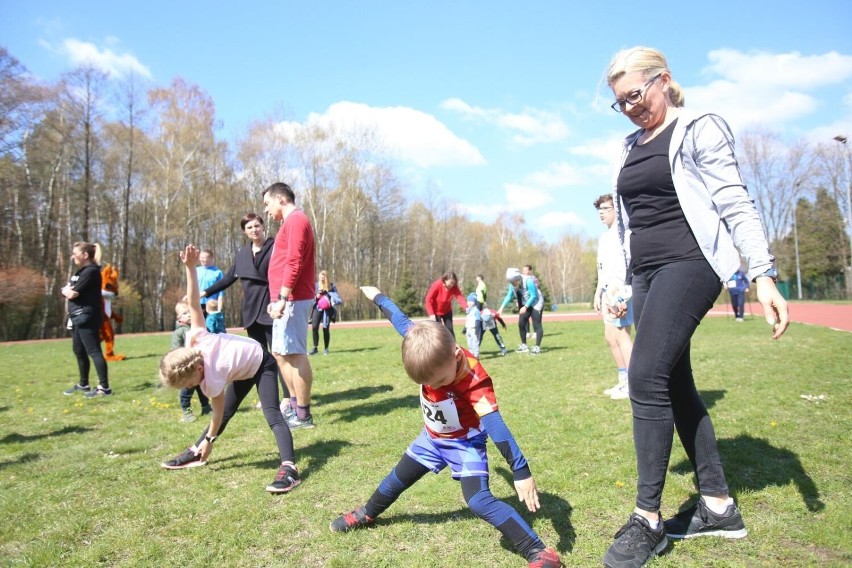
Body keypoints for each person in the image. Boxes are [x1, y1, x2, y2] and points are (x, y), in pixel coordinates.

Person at [601, 46, 789, 568]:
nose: (631, 108)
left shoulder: (698, 127)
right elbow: (627, 220)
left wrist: (763, 273)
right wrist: (617, 280)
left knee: (643, 377)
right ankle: (718, 505)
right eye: (621, 102)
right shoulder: (628, 144)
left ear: (663, 81)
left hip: (691, 263)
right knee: (674, 384)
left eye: (636, 95)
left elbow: (733, 199)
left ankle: (647, 518)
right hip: (646, 272)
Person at [329, 286, 562, 568]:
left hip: (465, 444)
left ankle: (539, 552)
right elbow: (400, 320)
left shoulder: (474, 380)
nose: (435, 387)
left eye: (440, 381)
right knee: (395, 479)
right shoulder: (426, 344)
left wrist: (520, 470)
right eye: (428, 383)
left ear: (455, 355)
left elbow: (496, 427)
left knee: (478, 500)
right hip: (432, 438)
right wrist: (378, 297)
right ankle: (366, 513)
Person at [159, 245, 301, 494]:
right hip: (241, 367)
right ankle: (195, 451)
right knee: (226, 414)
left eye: (185, 385)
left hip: (261, 363)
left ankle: (290, 468)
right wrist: (190, 268)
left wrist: (210, 441)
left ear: (195, 372)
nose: (189, 389)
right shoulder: (196, 337)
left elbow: (217, 414)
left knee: (272, 414)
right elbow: (193, 303)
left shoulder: (212, 377)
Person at [200, 213, 292, 416]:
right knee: (259, 357)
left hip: (271, 306)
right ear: (245, 231)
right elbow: (228, 279)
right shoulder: (242, 254)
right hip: (251, 310)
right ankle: (269, 398)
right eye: (249, 227)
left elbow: (287, 273)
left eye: (257, 225)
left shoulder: (275, 246)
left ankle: (288, 397)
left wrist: (283, 300)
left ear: (263, 226)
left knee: (278, 354)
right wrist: (206, 292)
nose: (254, 230)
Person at [263, 182, 317, 429]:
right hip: (285, 299)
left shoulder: (296, 220)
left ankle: (303, 414)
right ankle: (295, 407)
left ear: (280, 199)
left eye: (267, 203)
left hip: (293, 299)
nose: (266, 210)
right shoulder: (289, 223)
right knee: (281, 353)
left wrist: (283, 299)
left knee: (295, 354)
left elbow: (294, 262)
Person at [593, 193, 634, 401]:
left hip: (620, 292)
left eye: (606, 209)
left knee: (622, 335)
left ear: (616, 210)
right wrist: (598, 292)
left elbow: (630, 265)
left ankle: (634, 385)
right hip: (606, 291)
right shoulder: (604, 237)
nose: (601, 213)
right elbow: (602, 269)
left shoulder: (624, 235)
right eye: (599, 210)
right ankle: (623, 380)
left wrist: (623, 293)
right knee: (611, 337)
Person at [62, 242, 112, 398]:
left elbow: (72, 293)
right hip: (77, 316)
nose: (72, 256)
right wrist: (67, 290)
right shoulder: (81, 272)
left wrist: (65, 290)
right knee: (78, 350)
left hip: (87, 317)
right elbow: (69, 290)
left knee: (94, 351)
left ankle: (104, 388)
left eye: (75, 253)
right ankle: (83, 384)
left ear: (85, 255)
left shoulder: (90, 272)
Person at [172, 300, 211, 423]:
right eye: (185, 313)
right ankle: (186, 411)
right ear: (179, 317)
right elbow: (175, 350)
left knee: (202, 387)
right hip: (187, 367)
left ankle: (206, 407)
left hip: (200, 364)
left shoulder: (199, 328)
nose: (189, 314)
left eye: (190, 312)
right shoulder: (179, 332)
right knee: (186, 390)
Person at [496, 268, 541, 354]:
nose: (513, 283)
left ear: (518, 279)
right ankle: (524, 345)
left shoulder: (528, 280)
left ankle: (537, 347)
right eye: (511, 282)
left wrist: (525, 306)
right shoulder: (512, 284)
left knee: (537, 324)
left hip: (536, 302)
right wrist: (501, 308)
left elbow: (534, 295)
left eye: (514, 281)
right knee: (521, 323)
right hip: (526, 302)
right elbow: (509, 296)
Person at [424, 271, 466, 337]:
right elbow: (428, 299)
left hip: (447, 311)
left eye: (453, 283)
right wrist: (431, 314)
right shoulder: (437, 284)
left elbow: (459, 297)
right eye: (450, 283)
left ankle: (454, 346)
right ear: (445, 280)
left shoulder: (454, 287)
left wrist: (466, 308)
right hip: (436, 312)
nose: (452, 285)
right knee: (438, 331)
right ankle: (440, 346)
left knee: (450, 329)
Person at [309, 270, 338, 356]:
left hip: (327, 309)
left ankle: (326, 348)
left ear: (326, 277)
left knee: (325, 328)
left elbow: (336, 297)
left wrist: (328, 296)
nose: (322, 277)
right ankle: (315, 348)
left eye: (324, 276)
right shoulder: (315, 286)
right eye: (321, 275)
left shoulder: (331, 286)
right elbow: (311, 297)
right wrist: (316, 296)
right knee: (314, 327)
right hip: (317, 308)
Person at [521, 265, 545, 353]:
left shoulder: (532, 279)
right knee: (523, 320)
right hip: (529, 301)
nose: (524, 271)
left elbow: (534, 291)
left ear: (530, 271)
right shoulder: (522, 278)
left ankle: (537, 346)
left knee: (537, 322)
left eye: (525, 270)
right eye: (523, 270)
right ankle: (525, 341)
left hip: (536, 301)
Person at [196, 249, 224, 318]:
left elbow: (221, 292)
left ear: (211, 258)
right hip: (197, 303)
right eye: (201, 257)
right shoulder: (196, 270)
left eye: (204, 258)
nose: (202, 260)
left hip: (212, 305)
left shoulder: (218, 273)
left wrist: (219, 308)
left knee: (211, 326)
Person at [463, 292, 482, 358]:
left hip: (474, 329)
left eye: (471, 301)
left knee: (475, 343)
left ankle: (476, 355)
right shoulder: (468, 310)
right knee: (469, 343)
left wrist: (477, 329)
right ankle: (471, 354)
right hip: (468, 329)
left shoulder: (476, 311)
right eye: (468, 301)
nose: (469, 303)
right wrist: (465, 328)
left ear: (475, 302)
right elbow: (467, 320)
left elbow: (478, 320)